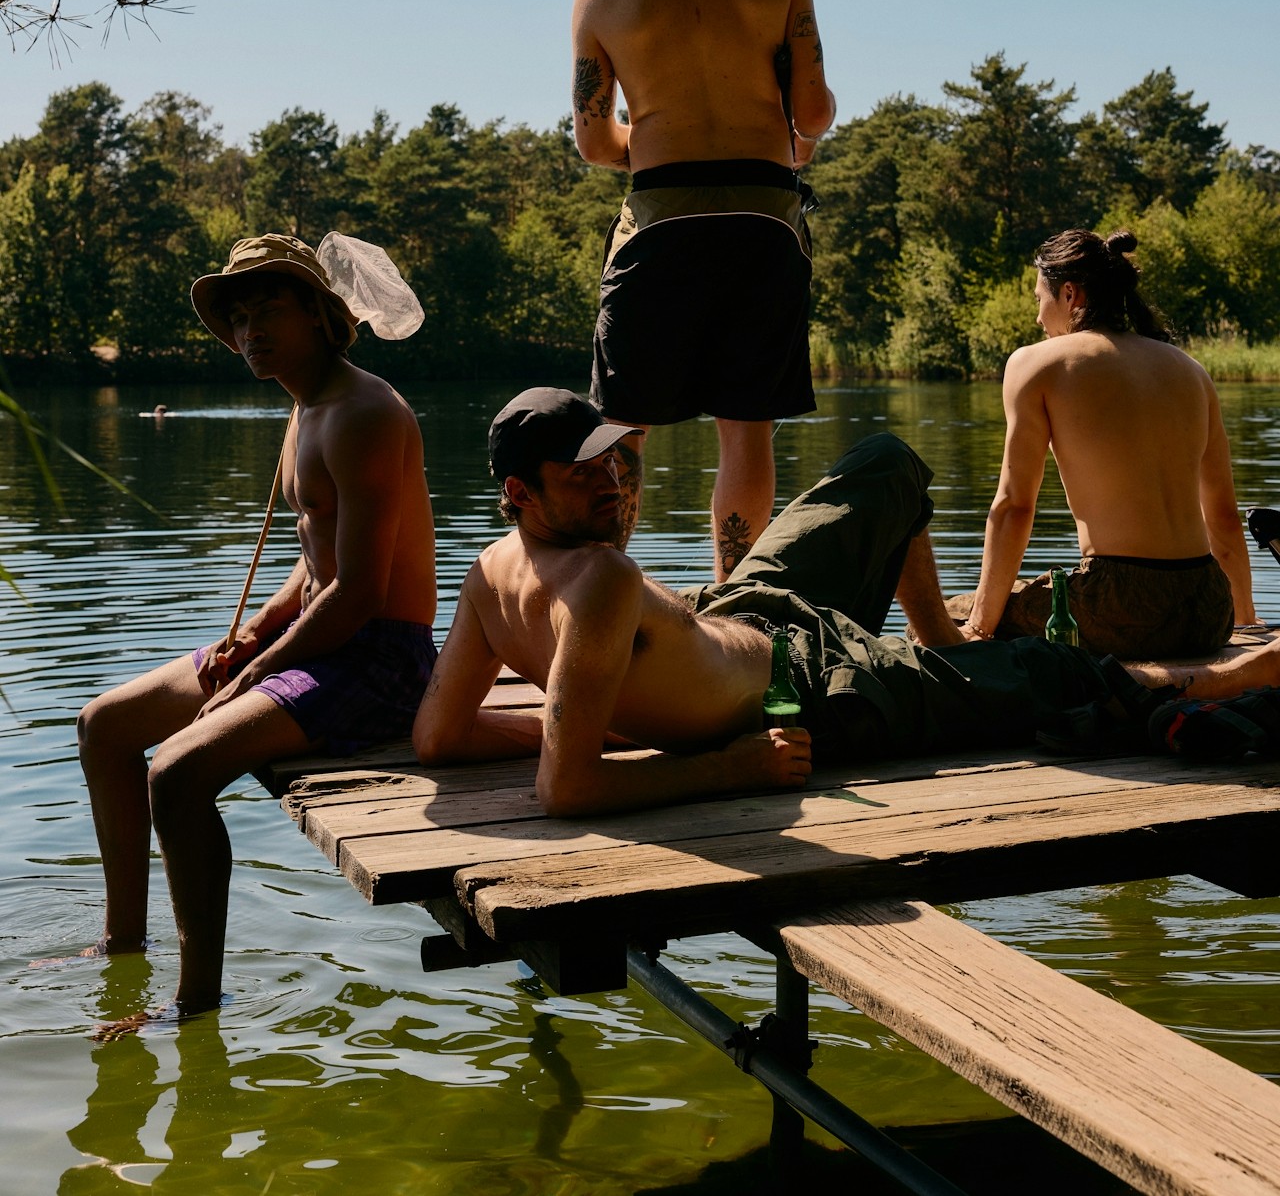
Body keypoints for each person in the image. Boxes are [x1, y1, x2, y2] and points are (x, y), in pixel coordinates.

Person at [412, 389, 1147, 818]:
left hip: (742, 605)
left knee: (886, 464)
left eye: (612, 457)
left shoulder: (486, 574)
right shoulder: (597, 576)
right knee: (1054, 672)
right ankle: (1222, 680)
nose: (612, 480)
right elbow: (564, 787)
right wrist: (730, 769)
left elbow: (437, 737)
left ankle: (945, 649)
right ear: (519, 493)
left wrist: (585, 724)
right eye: (581, 472)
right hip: (811, 684)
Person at [76, 234, 437, 1029]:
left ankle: (195, 1001)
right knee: (103, 725)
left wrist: (250, 674)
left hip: (378, 659)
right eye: (237, 319)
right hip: (320, 636)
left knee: (174, 773)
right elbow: (313, 571)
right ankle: (122, 943)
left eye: (266, 310)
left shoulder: (365, 411)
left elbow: (358, 592)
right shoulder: (303, 408)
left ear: (316, 310)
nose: (248, 333)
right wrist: (253, 633)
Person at [571, 0, 837, 580]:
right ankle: (738, 598)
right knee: (746, 429)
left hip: (659, 219)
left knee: (620, 426)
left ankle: (600, 595)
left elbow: (594, 143)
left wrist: (658, 142)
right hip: (764, 219)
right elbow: (812, 114)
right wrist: (793, 145)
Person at [942, 228, 1258, 660]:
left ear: (1069, 294)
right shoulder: (1192, 371)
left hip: (1120, 604)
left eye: (1039, 299)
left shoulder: (1037, 363)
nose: (1038, 317)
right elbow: (1222, 515)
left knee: (944, 614)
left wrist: (978, 627)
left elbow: (1014, 506)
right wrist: (1244, 624)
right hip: (1208, 608)